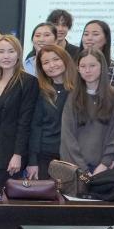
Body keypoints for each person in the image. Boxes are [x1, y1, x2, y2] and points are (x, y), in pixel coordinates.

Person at [0, 35, 39, 185]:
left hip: (11, 154)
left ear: (18, 54)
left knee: (1, 195)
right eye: (1, 51)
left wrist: (18, 154)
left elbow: (25, 122)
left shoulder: (29, 82)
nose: (6, 56)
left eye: (11, 51)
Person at [60, 48, 114, 174]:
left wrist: (105, 163)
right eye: (83, 66)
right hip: (76, 168)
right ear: (78, 69)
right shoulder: (73, 97)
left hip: (103, 167)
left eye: (92, 65)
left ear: (102, 67)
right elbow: (68, 137)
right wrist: (83, 170)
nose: (87, 70)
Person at [25, 45, 76, 179]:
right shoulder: (42, 92)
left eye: (56, 59)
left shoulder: (79, 90)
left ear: (65, 60)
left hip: (73, 155)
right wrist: (32, 161)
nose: (52, 65)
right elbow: (35, 127)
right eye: (46, 62)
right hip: (45, 155)